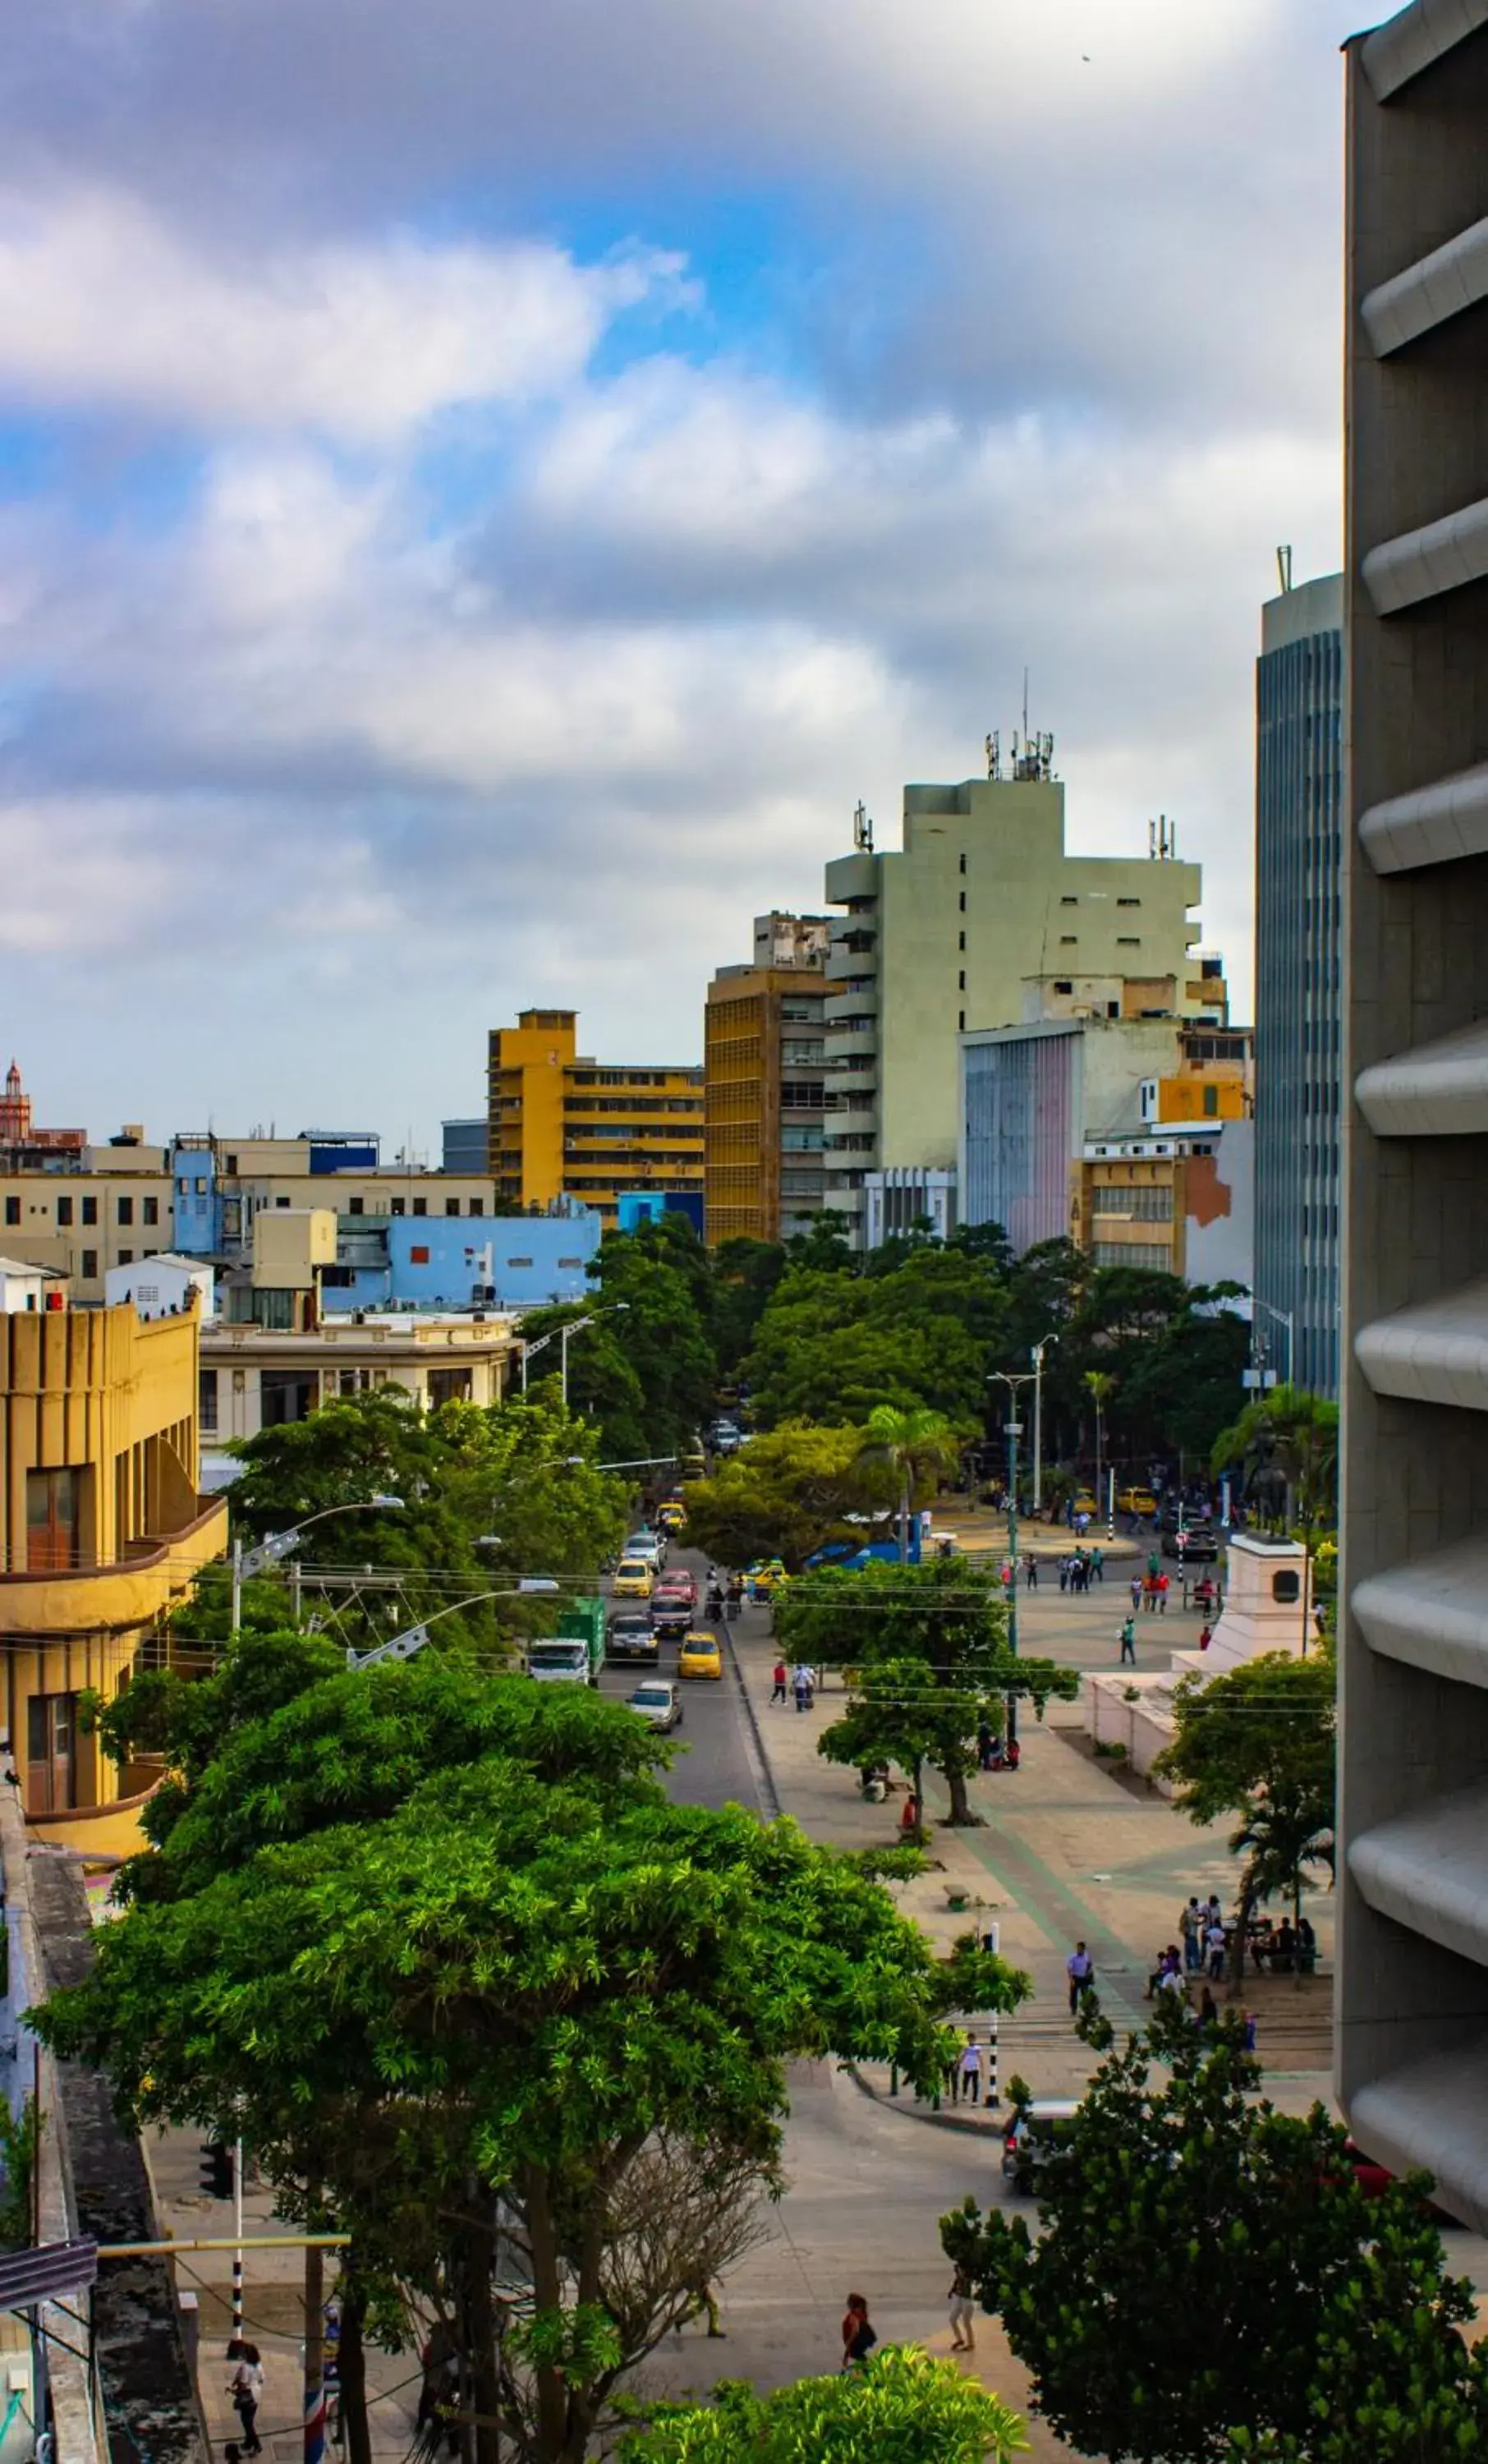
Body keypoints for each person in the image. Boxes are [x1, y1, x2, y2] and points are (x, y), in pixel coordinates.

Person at [227, 2342, 264, 2457]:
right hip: (256, 2394)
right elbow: (261, 2379)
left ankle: (256, 2445)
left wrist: (235, 2391)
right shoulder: (258, 2365)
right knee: (249, 2419)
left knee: (247, 2422)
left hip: (247, 2396)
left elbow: (243, 2383)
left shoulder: (245, 2367)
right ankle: (248, 2443)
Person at [842, 2294, 876, 2371]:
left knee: (855, 2355)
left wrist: (849, 2341)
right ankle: (866, 2369)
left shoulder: (853, 2316)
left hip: (855, 2342)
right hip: (860, 2342)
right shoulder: (862, 2314)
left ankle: (866, 2371)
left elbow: (855, 2330)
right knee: (858, 2356)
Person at [948, 2259, 977, 2352]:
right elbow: (957, 2279)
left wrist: (963, 2274)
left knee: (966, 2321)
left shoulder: (971, 2271)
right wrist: (952, 2290)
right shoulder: (957, 2267)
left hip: (968, 2298)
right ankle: (959, 2339)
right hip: (959, 2296)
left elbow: (969, 2282)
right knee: (952, 2319)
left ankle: (971, 2343)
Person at [1067, 1940, 1095, 2016]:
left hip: (1084, 1978)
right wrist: (1071, 1979)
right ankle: (1073, 2009)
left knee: (1085, 1994)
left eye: (1080, 1948)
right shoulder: (1073, 1957)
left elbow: (1089, 1964)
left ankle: (1086, 2009)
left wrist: (1089, 1974)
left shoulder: (1086, 1956)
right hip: (1075, 1977)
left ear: (1083, 1949)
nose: (1079, 1950)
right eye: (1078, 1948)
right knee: (1073, 1995)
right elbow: (1069, 1969)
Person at [957, 2032, 984, 2105]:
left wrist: (982, 2069)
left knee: (975, 2084)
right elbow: (963, 2056)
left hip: (975, 2068)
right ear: (968, 2039)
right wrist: (958, 2063)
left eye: (973, 2039)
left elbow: (981, 2058)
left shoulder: (978, 2048)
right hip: (967, 2068)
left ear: (975, 2039)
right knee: (965, 2082)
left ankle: (974, 2100)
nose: (971, 2040)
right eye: (970, 2039)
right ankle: (965, 2094)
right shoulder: (966, 2048)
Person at [1179, 1896, 1203, 1973]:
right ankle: (1196, 1967)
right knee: (1195, 1952)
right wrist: (1203, 1921)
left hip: (1186, 1933)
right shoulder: (1193, 1912)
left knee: (1188, 1950)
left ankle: (1188, 1965)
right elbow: (1195, 1922)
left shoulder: (1187, 1910)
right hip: (1192, 1934)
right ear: (1195, 1903)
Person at [1206, 1917, 1228, 1981]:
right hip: (1220, 1949)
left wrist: (1211, 1942)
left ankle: (1210, 1975)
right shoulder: (1221, 1932)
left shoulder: (1211, 1931)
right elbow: (1223, 1941)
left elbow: (1207, 1937)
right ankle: (1217, 1976)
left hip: (1213, 1949)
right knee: (1219, 1964)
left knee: (1213, 1963)